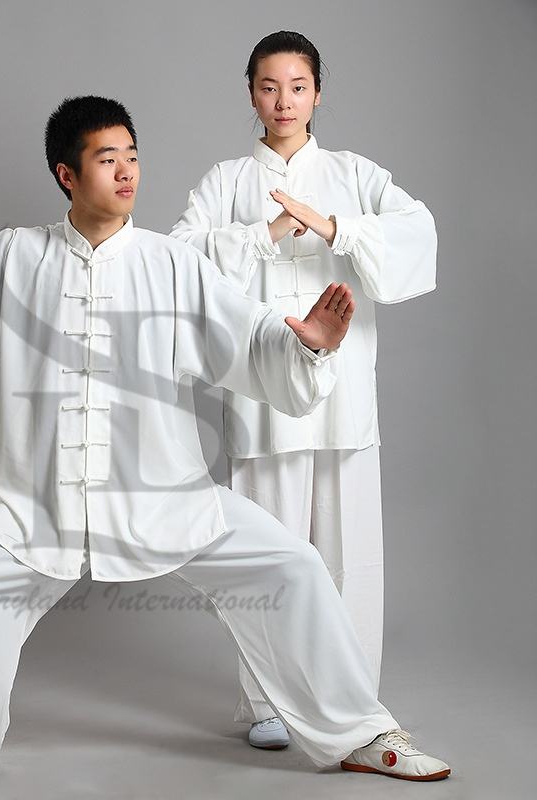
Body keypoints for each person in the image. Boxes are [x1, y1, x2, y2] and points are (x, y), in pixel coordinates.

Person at [0, 95, 449, 782]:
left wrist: (309, 345)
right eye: (107, 159)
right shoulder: (14, 257)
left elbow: (247, 336)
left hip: (169, 498)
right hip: (41, 506)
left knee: (292, 568)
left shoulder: (172, 264)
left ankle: (362, 734)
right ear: (67, 174)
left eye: (132, 156)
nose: (127, 172)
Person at [170, 31, 437, 751]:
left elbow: (418, 234)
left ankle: (354, 701)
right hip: (260, 400)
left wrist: (338, 228)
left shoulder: (354, 174)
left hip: (344, 398)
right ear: (251, 93)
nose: (283, 101)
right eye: (268, 86)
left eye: (297, 86)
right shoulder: (226, 182)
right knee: (267, 556)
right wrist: (262, 234)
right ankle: (267, 700)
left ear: (318, 92)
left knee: (352, 558)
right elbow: (179, 263)